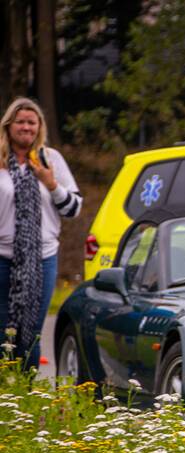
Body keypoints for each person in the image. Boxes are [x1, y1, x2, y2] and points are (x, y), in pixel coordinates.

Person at [0, 97, 82, 369]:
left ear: (39, 127)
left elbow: (73, 208)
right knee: (2, 330)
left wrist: (51, 184)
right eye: (20, 122)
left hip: (42, 258)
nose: (26, 127)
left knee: (31, 331)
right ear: (9, 125)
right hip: (3, 256)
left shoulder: (50, 159)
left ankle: (26, 391)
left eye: (31, 122)